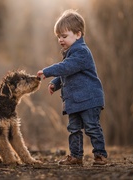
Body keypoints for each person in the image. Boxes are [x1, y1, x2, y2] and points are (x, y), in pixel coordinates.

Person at [37, 9, 107, 166]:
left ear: (78, 34)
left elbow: (66, 67)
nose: (61, 40)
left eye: (64, 36)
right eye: (59, 37)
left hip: (89, 99)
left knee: (92, 127)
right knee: (73, 129)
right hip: (75, 101)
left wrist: (47, 72)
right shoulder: (71, 53)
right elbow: (68, 73)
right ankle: (76, 156)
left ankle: (100, 155)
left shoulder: (81, 52)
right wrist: (55, 83)